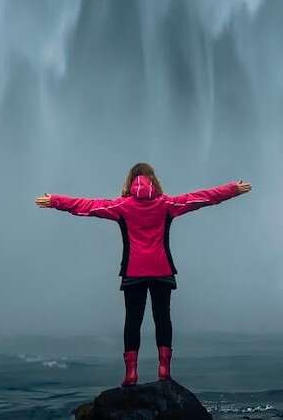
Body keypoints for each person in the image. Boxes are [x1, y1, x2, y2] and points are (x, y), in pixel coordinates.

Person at [35, 162, 252, 386]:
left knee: (132, 321)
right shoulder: (167, 204)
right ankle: (164, 369)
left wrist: (55, 200)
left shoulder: (122, 206)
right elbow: (202, 198)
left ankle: (131, 373)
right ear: (153, 180)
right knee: (163, 318)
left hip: (133, 272)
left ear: (130, 181)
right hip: (162, 270)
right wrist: (232, 189)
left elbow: (88, 206)